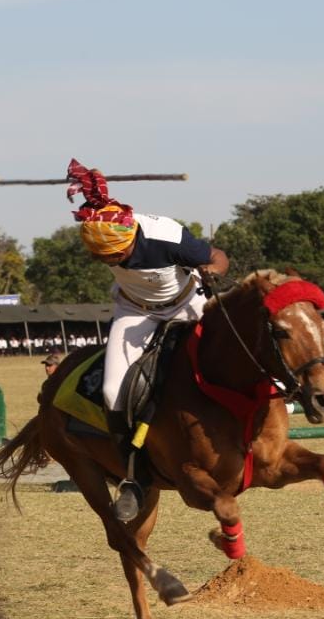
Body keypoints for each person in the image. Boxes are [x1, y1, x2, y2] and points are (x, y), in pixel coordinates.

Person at [66, 158, 229, 522]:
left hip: (187, 305)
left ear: (130, 238)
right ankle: (134, 478)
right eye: (103, 257)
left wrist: (212, 270)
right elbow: (96, 201)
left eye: (115, 255)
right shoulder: (105, 228)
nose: (110, 261)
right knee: (111, 391)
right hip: (135, 311)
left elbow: (218, 256)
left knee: (228, 353)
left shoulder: (167, 236)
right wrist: (91, 183)